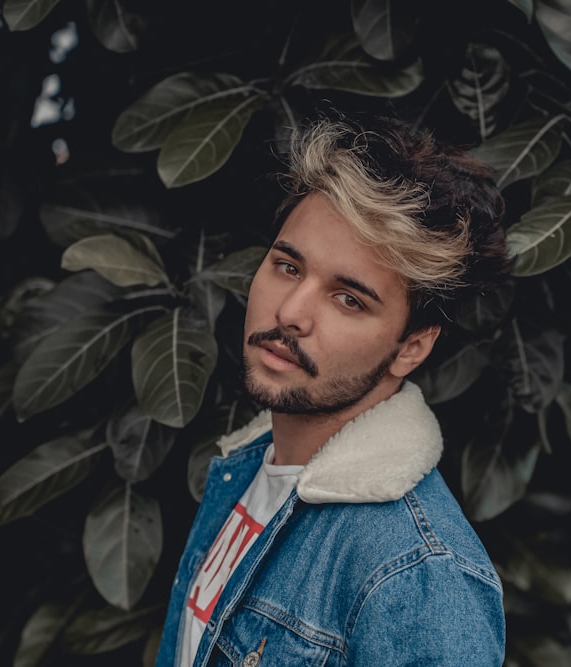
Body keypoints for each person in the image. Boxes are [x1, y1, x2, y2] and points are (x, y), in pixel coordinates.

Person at [155, 111, 513, 667]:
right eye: (288, 267)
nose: (291, 313)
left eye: (349, 298)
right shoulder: (243, 468)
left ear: (411, 347)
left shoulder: (419, 576)